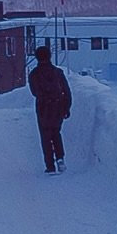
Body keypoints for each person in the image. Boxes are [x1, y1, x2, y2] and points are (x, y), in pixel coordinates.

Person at [27, 44, 72, 174]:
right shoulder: (58, 72)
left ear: (36, 57)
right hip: (58, 106)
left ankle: (50, 165)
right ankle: (60, 158)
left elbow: (34, 92)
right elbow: (67, 91)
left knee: (45, 136)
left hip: (43, 107)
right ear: (50, 56)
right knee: (56, 132)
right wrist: (66, 107)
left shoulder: (34, 74)